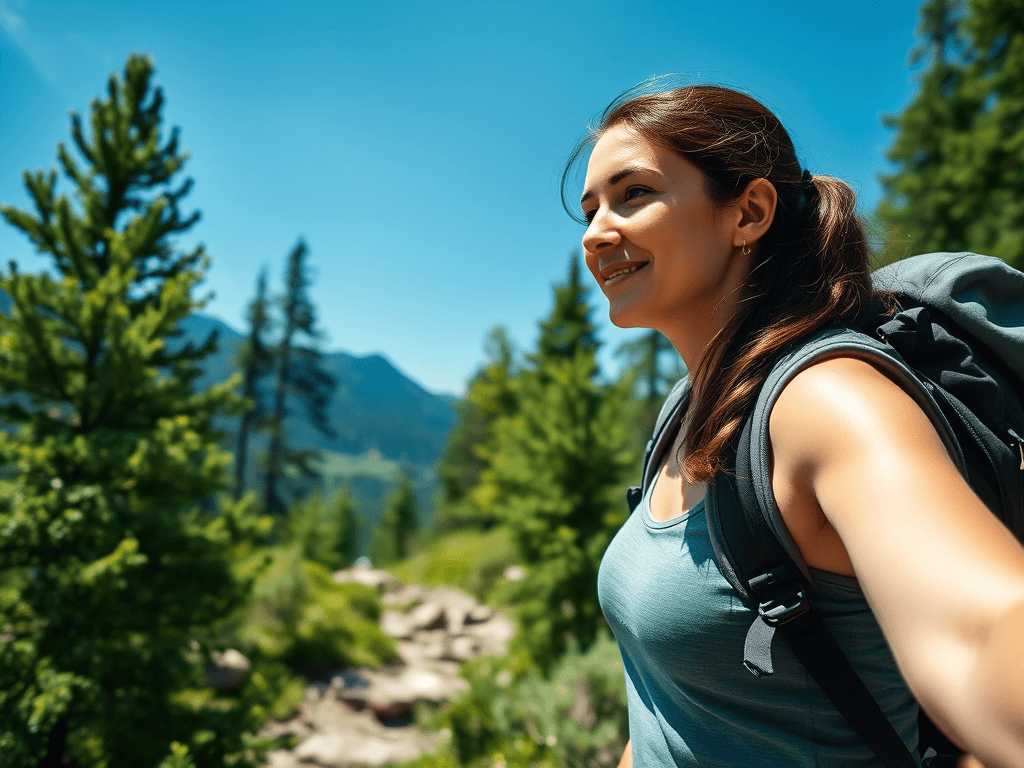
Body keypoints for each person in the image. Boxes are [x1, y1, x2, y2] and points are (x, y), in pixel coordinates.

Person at [564, 82, 1024, 768]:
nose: (596, 233)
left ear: (749, 212)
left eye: (634, 193)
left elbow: (981, 633)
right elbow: (667, 702)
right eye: (590, 209)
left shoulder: (824, 400)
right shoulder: (686, 412)